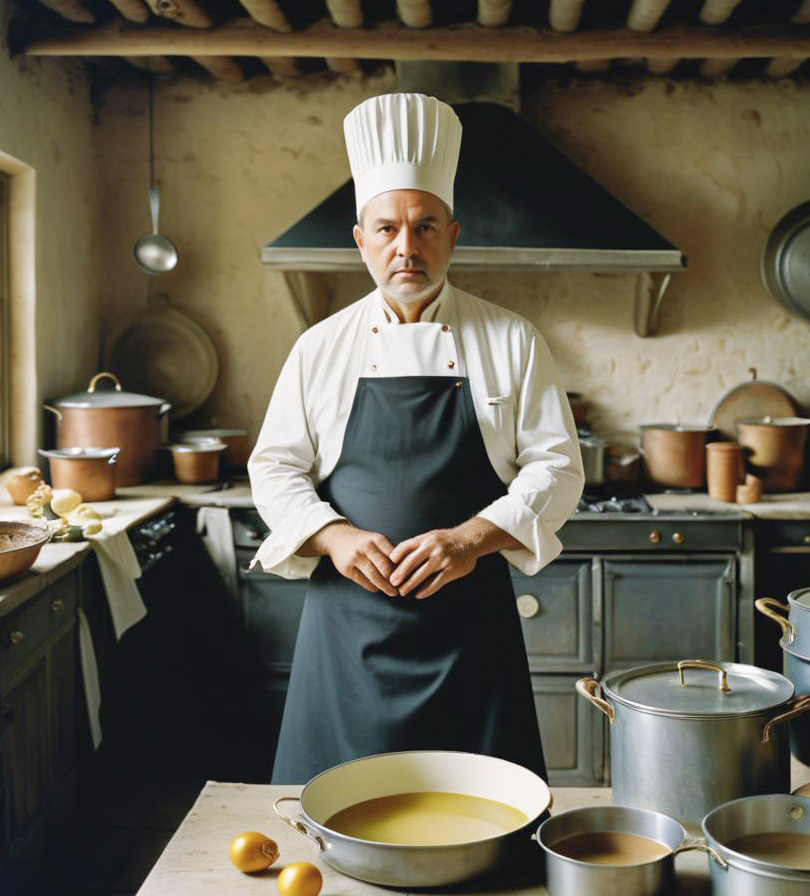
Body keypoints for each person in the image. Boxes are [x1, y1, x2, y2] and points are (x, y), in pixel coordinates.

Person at [249, 92, 584, 785]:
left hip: (471, 629)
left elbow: (558, 466)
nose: (407, 247)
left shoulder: (513, 340)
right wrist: (335, 536)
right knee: (335, 817)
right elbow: (276, 467)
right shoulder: (319, 348)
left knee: (482, 813)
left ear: (454, 235)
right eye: (388, 229)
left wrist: (467, 541)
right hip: (348, 631)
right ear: (361, 239)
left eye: (426, 226)